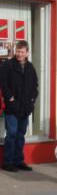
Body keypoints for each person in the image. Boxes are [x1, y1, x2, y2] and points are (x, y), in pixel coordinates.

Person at [0, 40, 38, 172]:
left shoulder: (30, 68)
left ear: (27, 53)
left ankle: (18, 161)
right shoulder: (7, 65)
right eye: (18, 51)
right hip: (12, 108)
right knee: (11, 133)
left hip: (25, 108)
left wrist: (32, 99)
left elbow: (35, 86)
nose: (19, 54)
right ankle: (8, 162)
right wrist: (9, 97)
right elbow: (3, 83)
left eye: (22, 52)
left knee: (21, 134)